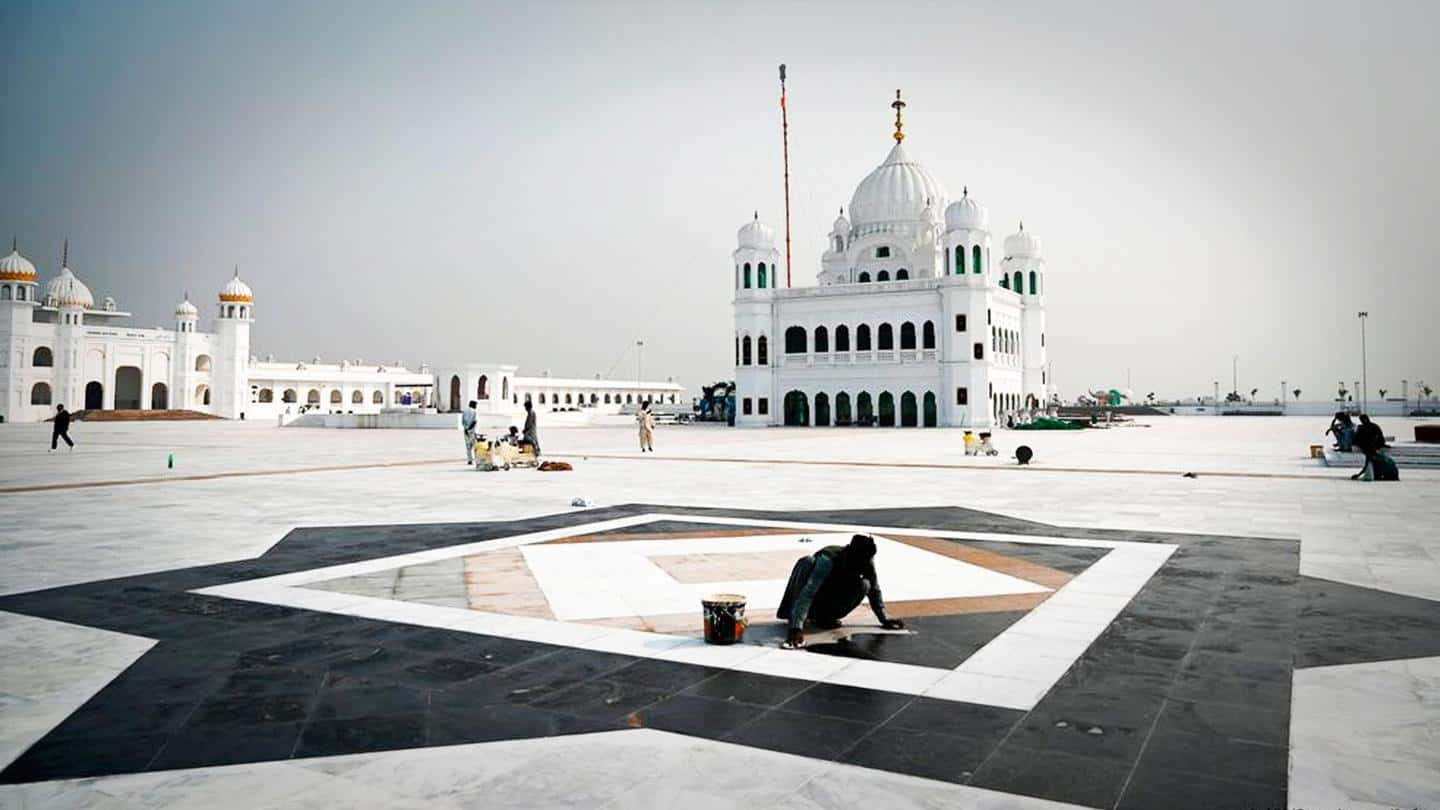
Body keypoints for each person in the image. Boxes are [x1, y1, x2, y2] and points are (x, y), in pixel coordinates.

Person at [776, 534, 905, 649]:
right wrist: (796, 628)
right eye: (857, 560)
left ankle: (825, 617)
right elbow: (808, 593)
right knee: (806, 562)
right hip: (814, 597)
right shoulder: (827, 559)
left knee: (865, 584)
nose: (859, 564)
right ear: (848, 551)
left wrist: (884, 619)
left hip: (830, 600)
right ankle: (794, 616)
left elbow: (874, 590)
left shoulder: (866, 562)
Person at [1351, 414, 1385, 481]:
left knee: (1370, 459)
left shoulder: (1368, 427)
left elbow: (1356, 439)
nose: (1362, 421)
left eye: (1362, 420)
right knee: (1370, 459)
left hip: (1369, 446)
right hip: (1371, 446)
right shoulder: (1372, 426)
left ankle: (1373, 473)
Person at [461, 400, 478, 465]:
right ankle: (477, 459)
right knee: (475, 446)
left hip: (466, 431)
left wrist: (466, 429)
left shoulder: (465, 412)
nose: (476, 406)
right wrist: (469, 429)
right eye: (476, 405)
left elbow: (463, 422)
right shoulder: (474, 411)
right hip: (473, 431)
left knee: (468, 446)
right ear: (473, 405)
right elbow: (474, 422)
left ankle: (469, 460)